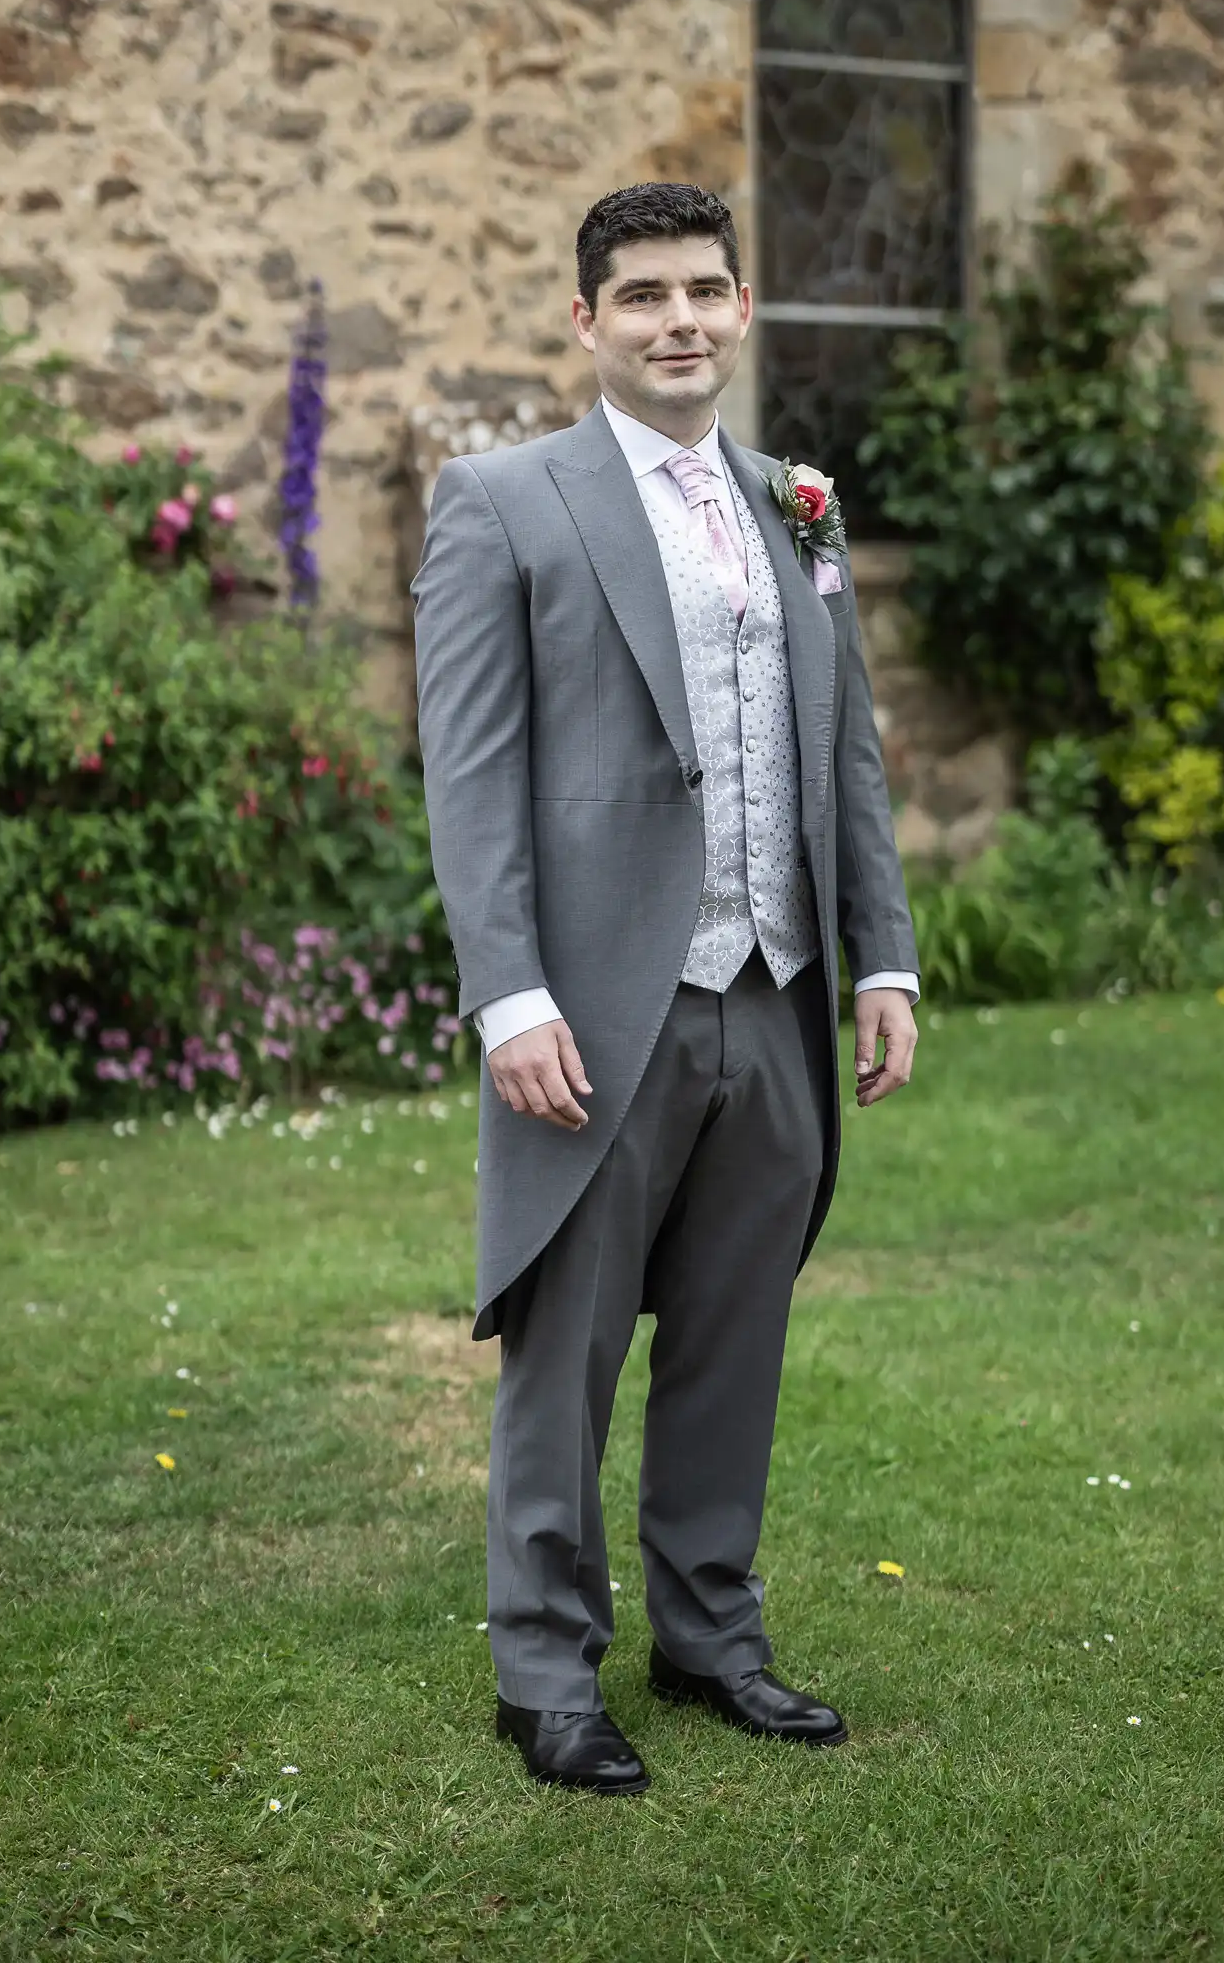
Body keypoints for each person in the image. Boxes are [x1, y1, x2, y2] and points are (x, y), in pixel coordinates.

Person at [412, 181, 919, 1795]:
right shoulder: (504, 500)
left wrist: (880, 953)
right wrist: (507, 996)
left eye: (704, 290)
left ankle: (709, 1639)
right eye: (641, 296)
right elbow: (470, 774)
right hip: (595, 1008)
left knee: (730, 1333)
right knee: (562, 1356)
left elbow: (842, 746)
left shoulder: (797, 505)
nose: (676, 320)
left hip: (770, 990)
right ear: (587, 323)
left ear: (743, 307)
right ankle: (542, 1673)